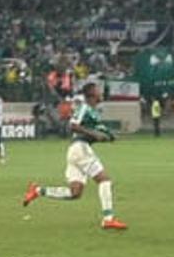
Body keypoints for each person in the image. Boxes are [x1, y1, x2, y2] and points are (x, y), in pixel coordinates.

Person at [22, 80, 125, 230]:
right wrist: (94, 134)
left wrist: (109, 136)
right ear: (92, 95)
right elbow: (73, 125)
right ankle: (108, 219)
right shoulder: (84, 108)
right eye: (98, 91)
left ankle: (37, 191)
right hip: (80, 148)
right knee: (104, 180)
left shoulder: (93, 112)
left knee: (74, 193)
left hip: (75, 151)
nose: (101, 93)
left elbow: (99, 130)